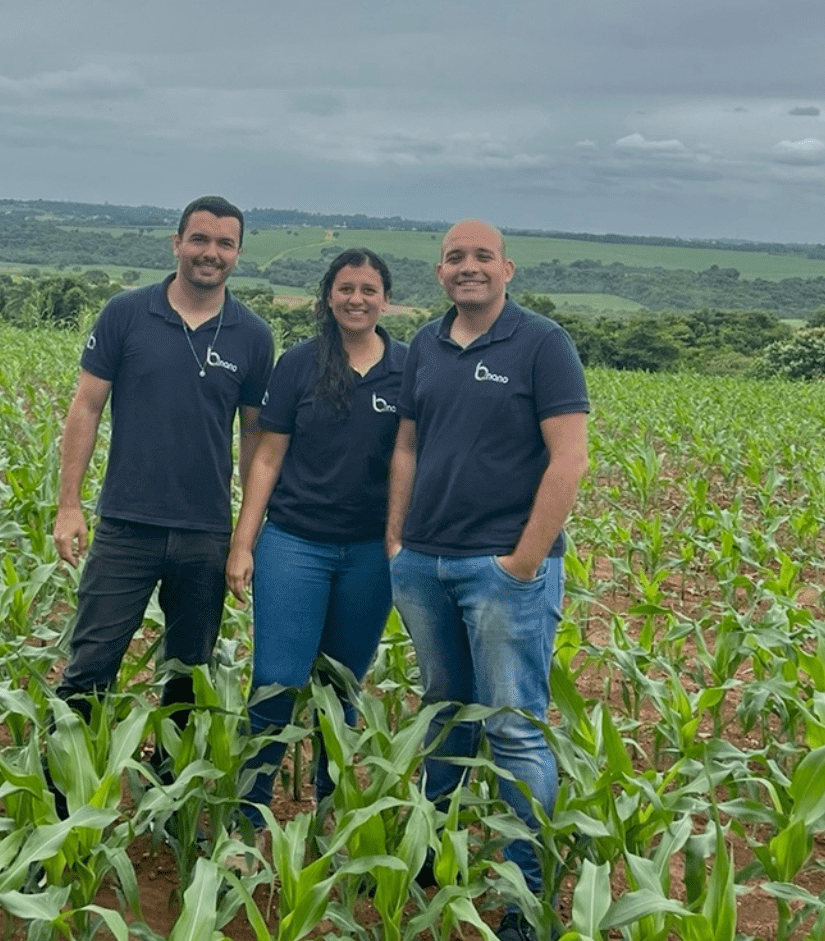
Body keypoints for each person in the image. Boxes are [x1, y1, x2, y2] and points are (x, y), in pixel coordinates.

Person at [386, 219, 589, 941]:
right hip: (424, 564)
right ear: (439, 273)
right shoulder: (425, 348)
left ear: (508, 268)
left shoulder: (542, 344)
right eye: (453, 258)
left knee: (512, 728)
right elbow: (407, 444)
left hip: (502, 567)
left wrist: (524, 562)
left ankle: (523, 900)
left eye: (481, 256)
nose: (467, 267)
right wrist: (397, 541)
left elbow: (569, 458)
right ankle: (430, 854)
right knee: (442, 711)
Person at [50, 195, 275, 800]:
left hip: (205, 534)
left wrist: (246, 539)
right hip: (126, 526)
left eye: (225, 243)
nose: (211, 253)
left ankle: (167, 802)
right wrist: (69, 504)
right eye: (200, 240)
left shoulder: (253, 336)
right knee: (90, 667)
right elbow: (86, 408)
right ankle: (63, 798)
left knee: (189, 678)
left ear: (238, 254)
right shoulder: (126, 314)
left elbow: (255, 439)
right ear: (176, 243)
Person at [226, 248, 406, 833]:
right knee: (277, 677)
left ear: (385, 298)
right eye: (345, 288)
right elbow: (268, 458)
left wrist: (400, 545)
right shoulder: (299, 365)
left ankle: (331, 807)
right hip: (295, 544)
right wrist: (243, 543)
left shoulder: (406, 370)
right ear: (328, 296)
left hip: (368, 555)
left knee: (342, 685)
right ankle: (250, 805)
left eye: (369, 289)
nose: (357, 299)